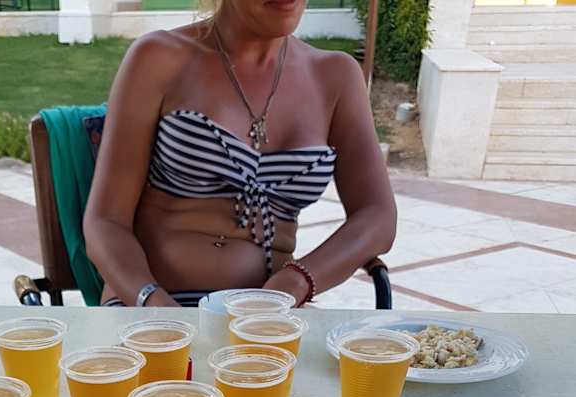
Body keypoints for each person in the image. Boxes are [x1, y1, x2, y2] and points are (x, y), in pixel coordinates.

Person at [83, 0, 396, 308]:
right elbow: (105, 222)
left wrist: (297, 281)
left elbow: (378, 215)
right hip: (149, 306)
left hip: (264, 317)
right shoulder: (158, 57)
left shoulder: (335, 76)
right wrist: (154, 304)